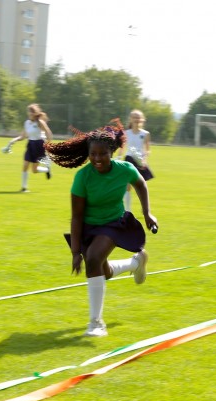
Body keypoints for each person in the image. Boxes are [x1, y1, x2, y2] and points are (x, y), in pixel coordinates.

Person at [44, 123, 158, 337]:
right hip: (88, 226)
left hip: (114, 223)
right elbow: (77, 217)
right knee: (100, 270)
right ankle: (136, 262)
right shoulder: (83, 177)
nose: (97, 159)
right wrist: (75, 251)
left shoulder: (125, 169)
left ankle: (96, 323)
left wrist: (147, 213)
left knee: (94, 258)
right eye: (93, 154)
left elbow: (141, 185)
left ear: (112, 152)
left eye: (102, 154)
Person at [4, 104, 53, 192]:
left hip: (39, 145)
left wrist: (49, 144)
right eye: (29, 112)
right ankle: (24, 188)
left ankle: (47, 169)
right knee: (25, 166)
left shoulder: (39, 122)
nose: (29, 113)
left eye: (31, 112)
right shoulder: (27, 123)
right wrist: (13, 141)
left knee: (34, 170)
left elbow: (48, 132)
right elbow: (23, 136)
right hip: (30, 145)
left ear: (34, 113)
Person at [115, 109, 153, 210]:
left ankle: (145, 209)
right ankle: (128, 210)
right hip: (129, 160)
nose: (136, 119)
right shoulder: (126, 133)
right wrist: (118, 158)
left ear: (142, 119)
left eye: (138, 117)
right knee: (127, 186)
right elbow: (122, 147)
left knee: (142, 187)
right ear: (130, 119)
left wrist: (144, 159)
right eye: (134, 117)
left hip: (140, 161)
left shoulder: (145, 134)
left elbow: (148, 150)